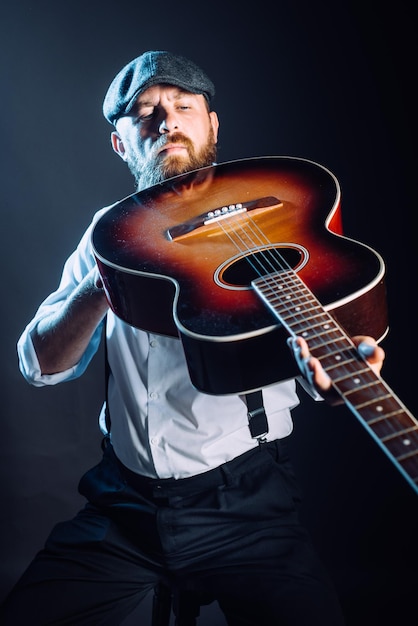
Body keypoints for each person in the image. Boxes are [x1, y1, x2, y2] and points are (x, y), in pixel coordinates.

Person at [1, 50, 385, 625]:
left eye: (184, 106)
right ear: (121, 143)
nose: (167, 121)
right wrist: (107, 282)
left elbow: (322, 345)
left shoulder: (277, 213)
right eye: (146, 113)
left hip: (247, 508)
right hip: (123, 506)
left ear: (212, 125)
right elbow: (40, 364)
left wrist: (334, 378)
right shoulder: (105, 234)